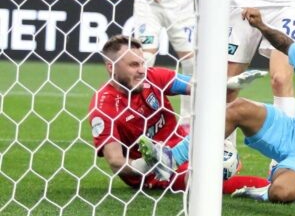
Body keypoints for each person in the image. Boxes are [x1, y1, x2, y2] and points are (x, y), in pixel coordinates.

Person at [141, 10, 295, 211]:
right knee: (237, 108)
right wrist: (261, 25)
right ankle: (172, 158)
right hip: (292, 131)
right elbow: (284, 43)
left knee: (281, 191)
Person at [87, 35, 269, 193]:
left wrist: (227, 85)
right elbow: (115, 161)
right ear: (111, 67)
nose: (142, 70)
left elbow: (196, 87)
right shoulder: (103, 107)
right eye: (134, 65)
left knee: (238, 113)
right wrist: (151, 164)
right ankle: (271, 189)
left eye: (142, 63)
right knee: (206, 181)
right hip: (157, 174)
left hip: (183, 149)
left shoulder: (152, 77)